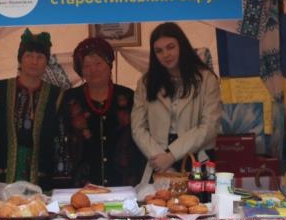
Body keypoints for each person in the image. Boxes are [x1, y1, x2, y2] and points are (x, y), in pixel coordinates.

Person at [0, 29, 70, 194]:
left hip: (41, 179)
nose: (34, 61)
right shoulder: (0, 89)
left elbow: (61, 141)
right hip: (2, 177)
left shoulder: (56, 95)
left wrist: (61, 182)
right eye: (29, 55)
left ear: (46, 63)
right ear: (20, 59)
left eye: (40, 57)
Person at [132, 22, 222, 184]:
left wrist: (171, 155)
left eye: (170, 47)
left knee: (201, 207)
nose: (166, 54)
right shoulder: (146, 82)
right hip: (157, 158)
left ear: (182, 46)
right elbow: (138, 127)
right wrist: (161, 158)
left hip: (197, 157)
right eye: (159, 51)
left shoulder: (206, 79)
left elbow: (210, 125)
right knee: (158, 206)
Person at [63, 37, 144, 187]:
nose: (93, 70)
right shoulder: (70, 100)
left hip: (124, 183)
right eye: (86, 65)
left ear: (109, 65)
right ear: (80, 70)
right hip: (81, 186)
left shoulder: (128, 97)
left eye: (98, 63)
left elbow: (141, 137)